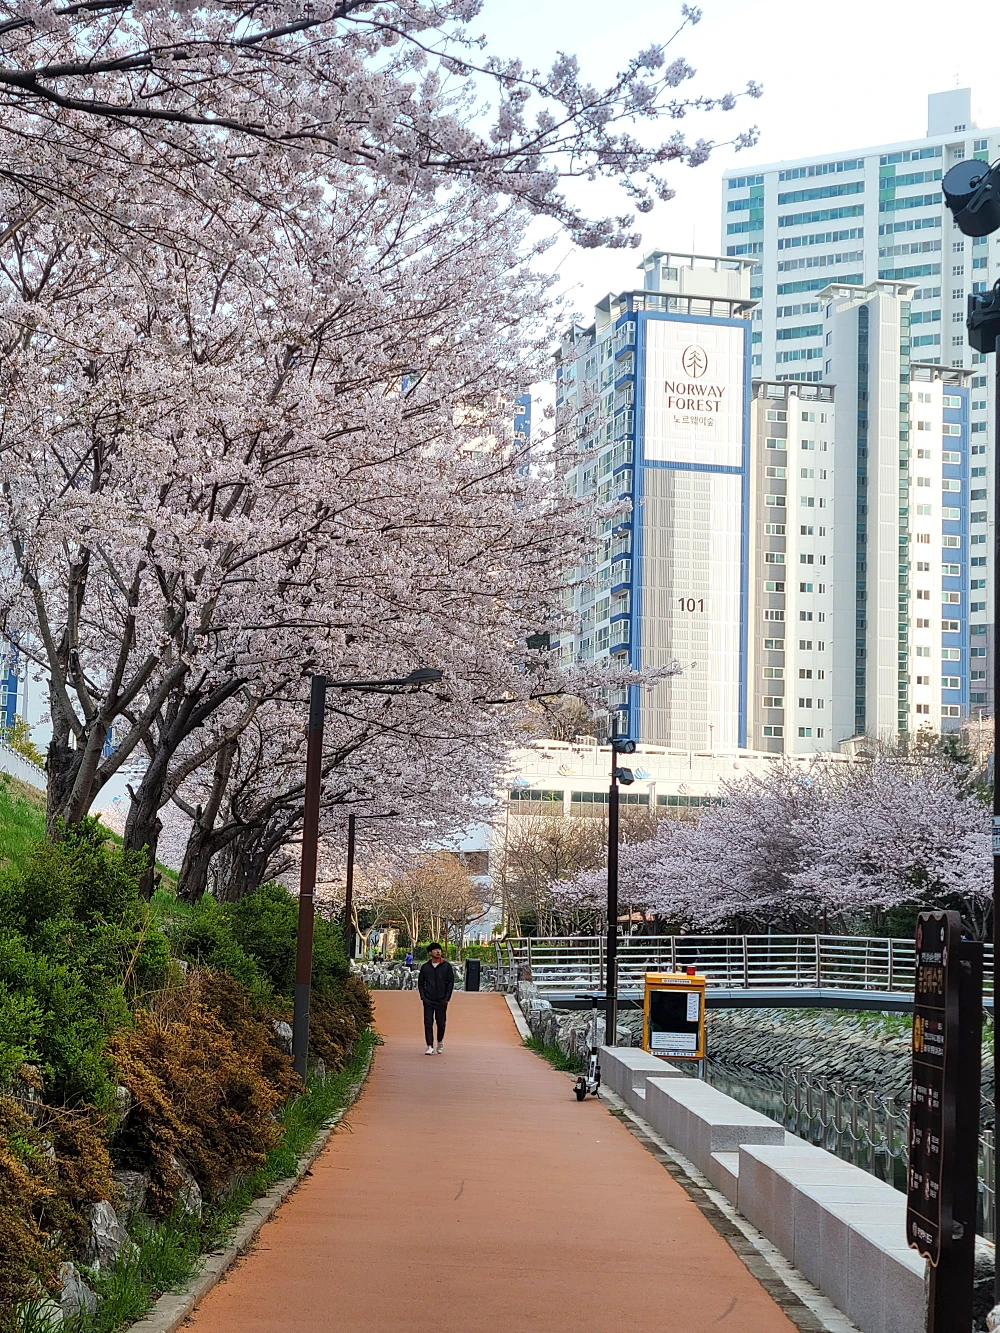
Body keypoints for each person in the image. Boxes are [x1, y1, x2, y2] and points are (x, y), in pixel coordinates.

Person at [417, 942, 454, 1054]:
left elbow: (451, 982)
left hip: (442, 999)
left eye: (439, 950)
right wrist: (423, 997)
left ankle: (440, 1041)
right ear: (430, 953)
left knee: (441, 1023)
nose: (438, 952)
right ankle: (429, 1045)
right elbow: (420, 983)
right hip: (428, 999)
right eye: (435, 950)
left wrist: (447, 998)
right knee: (428, 1022)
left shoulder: (446, 966)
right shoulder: (425, 967)